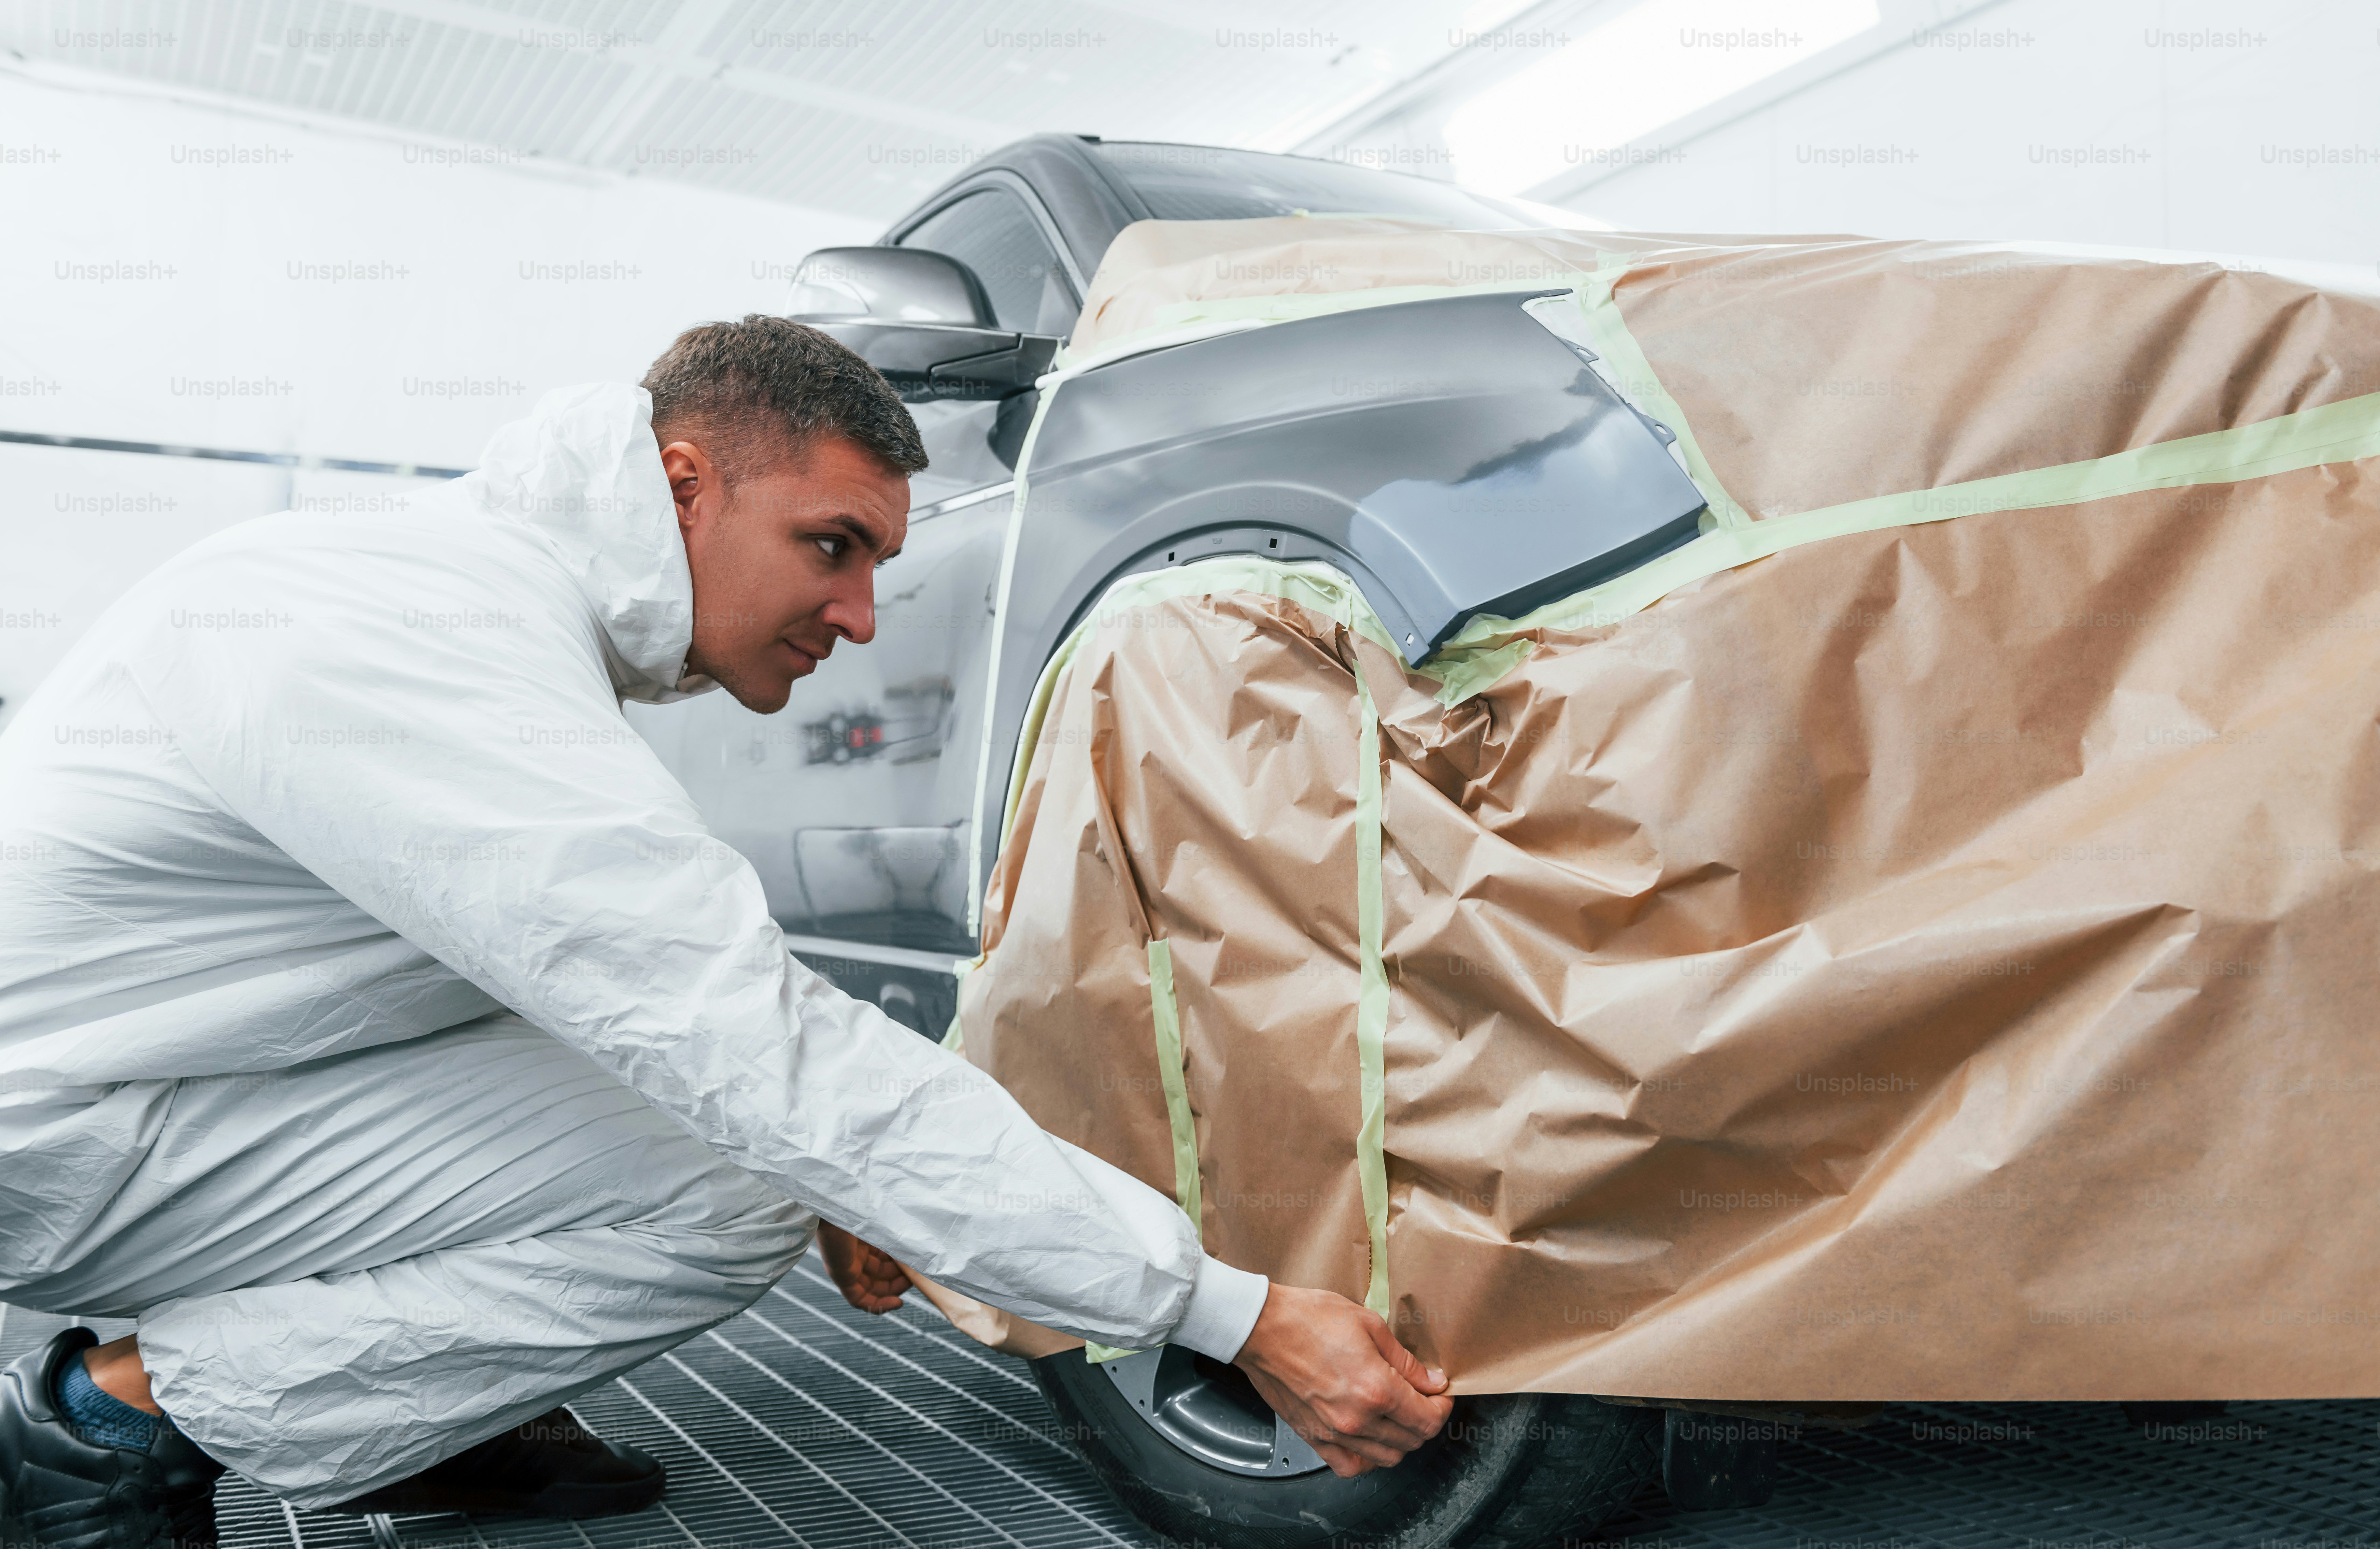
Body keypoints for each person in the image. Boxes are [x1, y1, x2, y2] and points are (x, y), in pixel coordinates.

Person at [0, 318, 1452, 1548]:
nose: (863, 614)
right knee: (735, 1183)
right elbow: (752, 1042)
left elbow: (611, 988)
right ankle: (102, 1425)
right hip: (74, 1137)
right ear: (682, 485)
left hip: (164, 1081)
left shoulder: (469, 595)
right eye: (832, 545)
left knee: (748, 1123)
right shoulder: (425, 637)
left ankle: (415, 1416)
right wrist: (1221, 1305)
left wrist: (822, 1140)